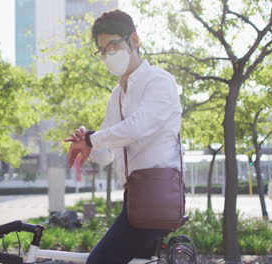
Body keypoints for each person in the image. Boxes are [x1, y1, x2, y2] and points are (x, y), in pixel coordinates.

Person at [64, 9, 183, 264]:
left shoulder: (160, 81)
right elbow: (107, 154)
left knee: (98, 262)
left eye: (113, 44)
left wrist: (93, 138)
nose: (108, 54)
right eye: (102, 49)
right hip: (135, 197)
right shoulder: (116, 96)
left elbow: (136, 127)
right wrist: (87, 146)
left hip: (157, 194)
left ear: (134, 41)